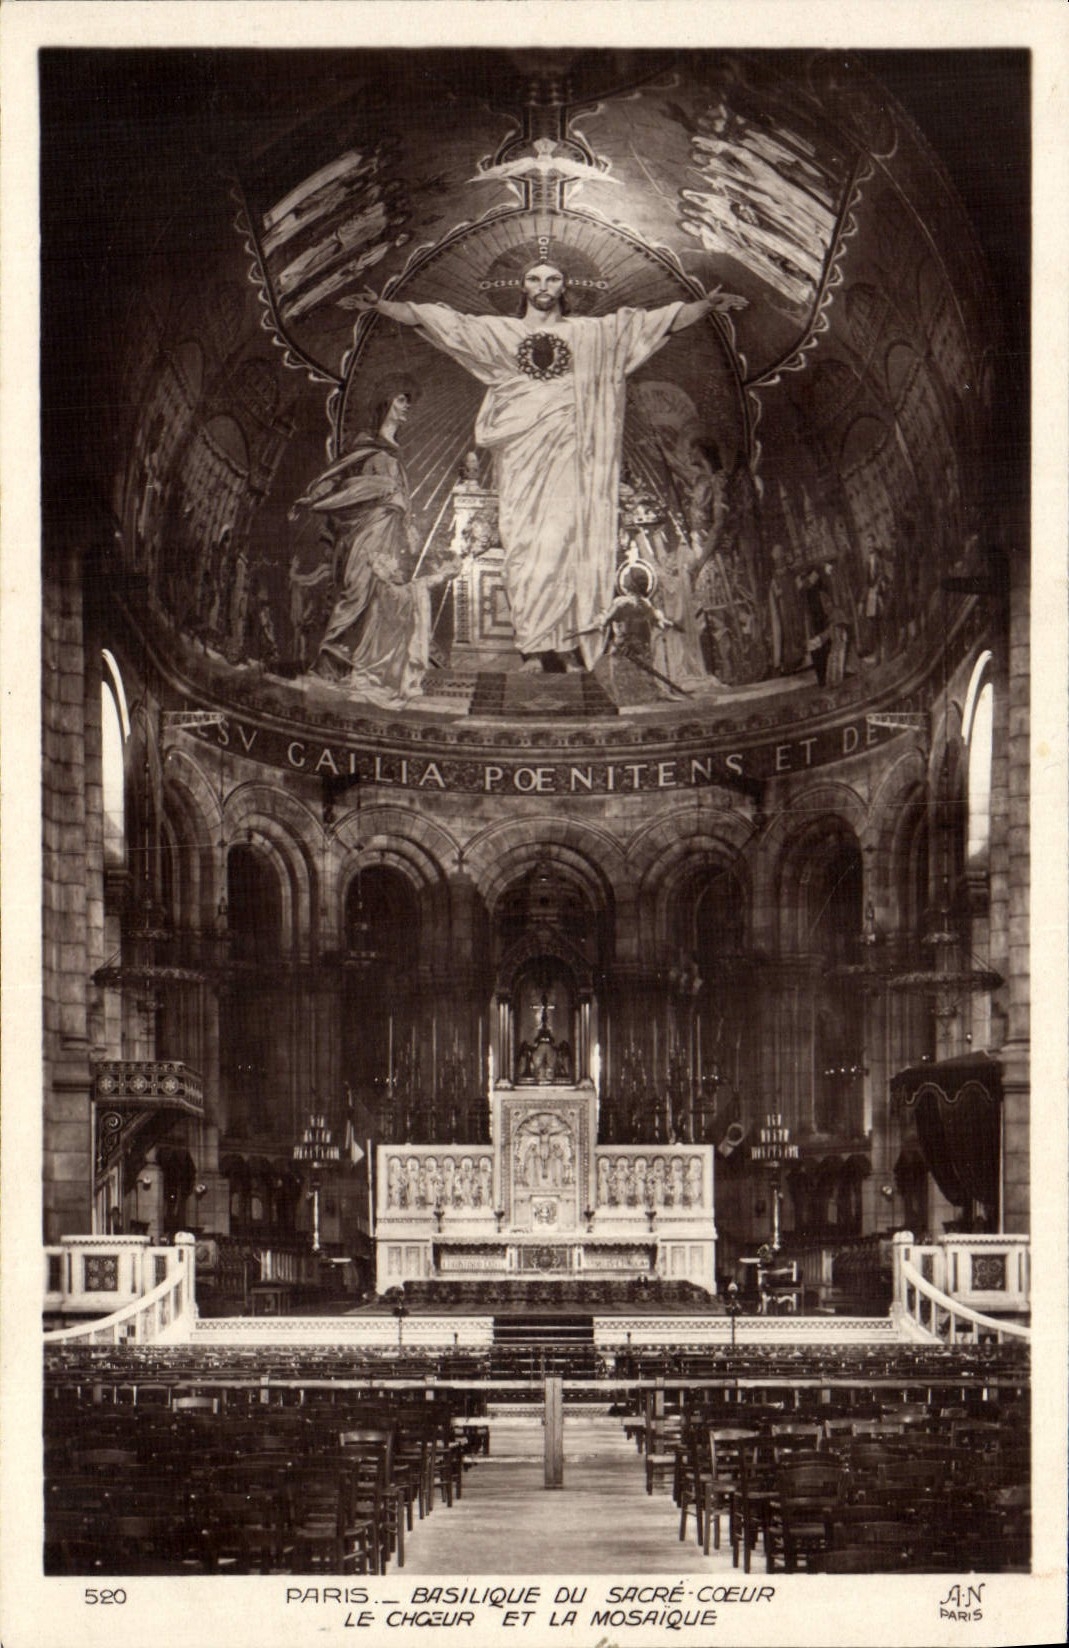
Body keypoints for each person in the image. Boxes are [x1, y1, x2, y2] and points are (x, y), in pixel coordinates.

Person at [349, 260, 745, 670]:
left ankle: (569, 646)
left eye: (553, 278)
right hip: (521, 458)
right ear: (522, 286)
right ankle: (535, 648)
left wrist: (705, 305)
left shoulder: (591, 333)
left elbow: (652, 323)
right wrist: (382, 306)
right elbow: (445, 323)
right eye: (534, 278)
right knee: (524, 545)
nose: (543, 285)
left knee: (569, 542)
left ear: (563, 287)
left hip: (572, 457)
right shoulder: (502, 332)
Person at [292, 379, 456, 704]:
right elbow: (339, 480)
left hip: (389, 532)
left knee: (380, 598)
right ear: (385, 402)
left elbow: (398, 495)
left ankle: (361, 669)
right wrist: (316, 498)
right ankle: (327, 666)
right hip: (365, 530)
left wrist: (407, 521)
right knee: (357, 591)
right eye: (401, 400)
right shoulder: (365, 444)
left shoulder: (395, 452)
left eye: (408, 401)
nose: (407, 406)